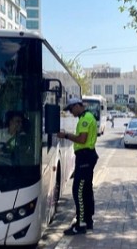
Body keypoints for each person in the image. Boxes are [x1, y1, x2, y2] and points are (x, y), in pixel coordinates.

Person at [57, 97, 98, 235]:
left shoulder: (85, 119)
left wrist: (66, 136)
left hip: (85, 157)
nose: (70, 112)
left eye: (71, 109)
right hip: (86, 157)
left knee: (78, 191)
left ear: (77, 106)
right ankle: (87, 221)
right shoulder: (86, 117)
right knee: (86, 190)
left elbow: (82, 139)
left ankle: (80, 225)